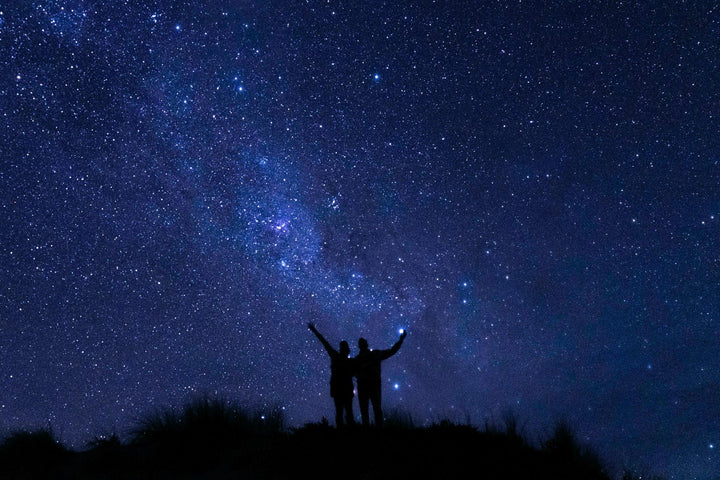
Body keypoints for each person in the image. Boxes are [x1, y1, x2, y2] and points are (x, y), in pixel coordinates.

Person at [354, 329, 407, 427]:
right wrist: (400, 340)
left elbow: (391, 351)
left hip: (368, 386)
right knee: (374, 409)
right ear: (366, 345)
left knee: (368, 410)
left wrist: (400, 340)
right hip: (372, 386)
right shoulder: (373, 355)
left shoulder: (360, 359)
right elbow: (391, 351)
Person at [308, 322, 356, 427]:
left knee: (341, 413)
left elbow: (324, 342)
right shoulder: (349, 362)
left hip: (339, 390)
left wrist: (314, 330)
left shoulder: (337, 357)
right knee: (347, 413)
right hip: (344, 390)